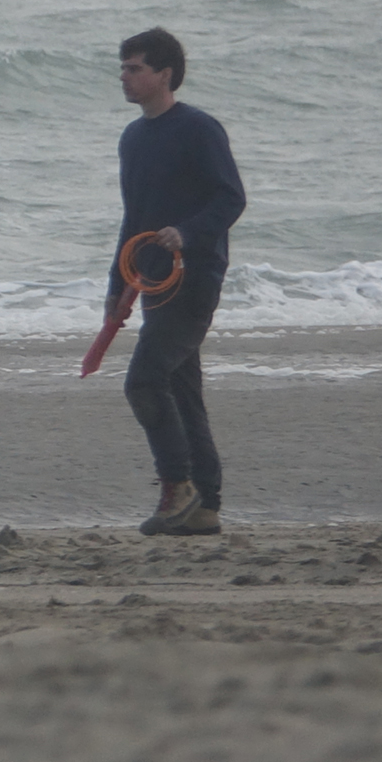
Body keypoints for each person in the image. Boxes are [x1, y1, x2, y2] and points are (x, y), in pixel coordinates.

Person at [105, 27, 245, 537]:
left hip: (195, 280)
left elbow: (231, 199)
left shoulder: (199, 129)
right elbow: (132, 219)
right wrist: (113, 293)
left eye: (134, 68)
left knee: (144, 380)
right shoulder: (133, 136)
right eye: (122, 67)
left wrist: (185, 233)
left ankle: (177, 486)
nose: (124, 76)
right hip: (150, 282)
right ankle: (206, 504)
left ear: (165, 74)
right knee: (182, 391)